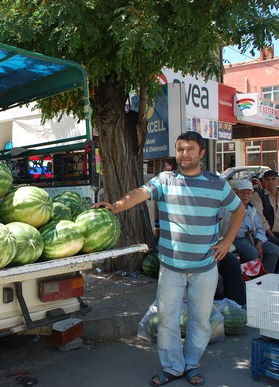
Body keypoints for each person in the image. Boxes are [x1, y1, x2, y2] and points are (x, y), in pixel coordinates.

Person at [94, 131, 245, 386]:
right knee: (167, 319)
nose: (184, 154)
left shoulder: (216, 183)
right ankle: (173, 367)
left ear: (202, 153)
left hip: (205, 266)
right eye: (180, 149)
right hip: (171, 267)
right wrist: (117, 206)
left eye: (190, 149)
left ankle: (192, 363)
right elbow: (140, 193)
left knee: (200, 320)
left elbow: (238, 209)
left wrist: (227, 241)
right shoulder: (165, 180)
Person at [219, 179, 279, 273]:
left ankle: (266, 276)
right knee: (252, 253)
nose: (246, 196)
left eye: (248, 193)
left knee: (273, 249)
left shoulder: (252, 210)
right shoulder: (226, 208)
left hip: (252, 238)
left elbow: (259, 228)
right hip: (235, 239)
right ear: (236, 193)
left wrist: (259, 242)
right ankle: (250, 279)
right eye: (243, 193)